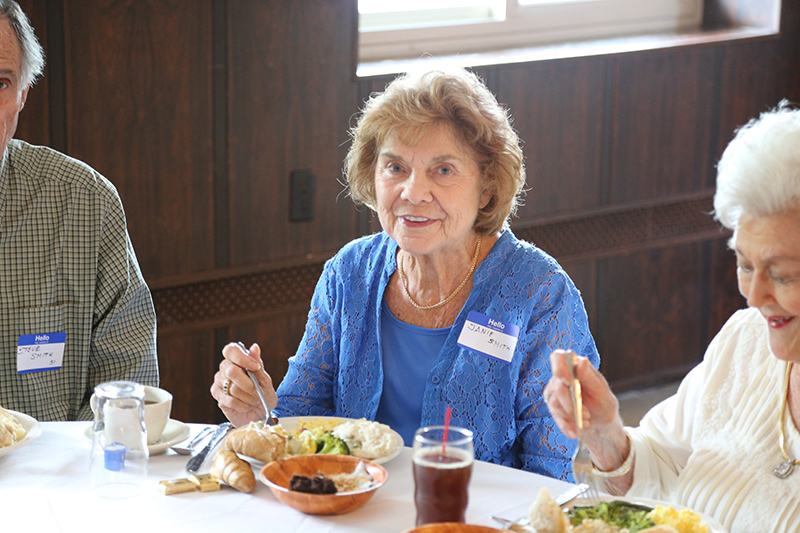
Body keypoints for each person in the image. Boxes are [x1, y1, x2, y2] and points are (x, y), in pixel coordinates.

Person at [211, 66, 599, 478]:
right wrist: (261, 411)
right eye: (395, 167)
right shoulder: (349, 273)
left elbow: (549, 472)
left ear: (486, 187)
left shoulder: (540, 293)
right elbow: (302, 423)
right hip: (353, 511)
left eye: (443, 170)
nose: (413, 193)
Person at [543, 103, 800, 532]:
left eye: (783, 275)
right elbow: (663, 462)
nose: (755, 297)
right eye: (746, 266)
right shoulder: (745, 340)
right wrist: (605, 434)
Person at [0, 0, 158, 421]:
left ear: (22, 95)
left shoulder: (84, 201)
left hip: (58, 482)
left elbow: (129, 387)